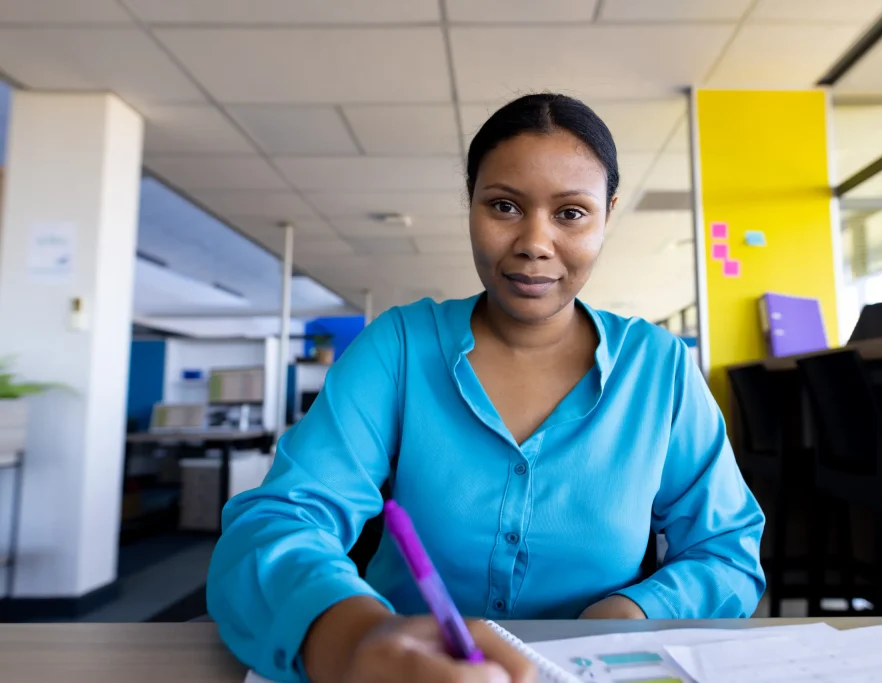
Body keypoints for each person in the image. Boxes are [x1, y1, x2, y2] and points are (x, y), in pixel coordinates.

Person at [208, 93, 765, 683]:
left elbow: (726, 551)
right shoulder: (397, 348)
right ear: (470, 204)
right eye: (503, 206)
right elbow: (276, 523)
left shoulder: (660, 370)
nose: (534, 242)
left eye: (572, 213)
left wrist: (633, 609)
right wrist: (350, 640)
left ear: (608, 213)